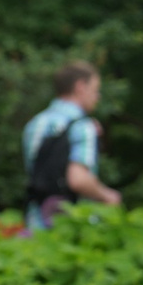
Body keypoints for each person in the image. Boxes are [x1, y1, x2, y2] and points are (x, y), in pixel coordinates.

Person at [23, 61, 119, 231]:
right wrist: (108, 196)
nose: (97, 97)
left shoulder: (35, 123)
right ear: (80, 87)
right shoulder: (83, 126)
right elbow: (78, 179)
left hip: (36, 226)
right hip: (72, 227)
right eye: (95, 90)